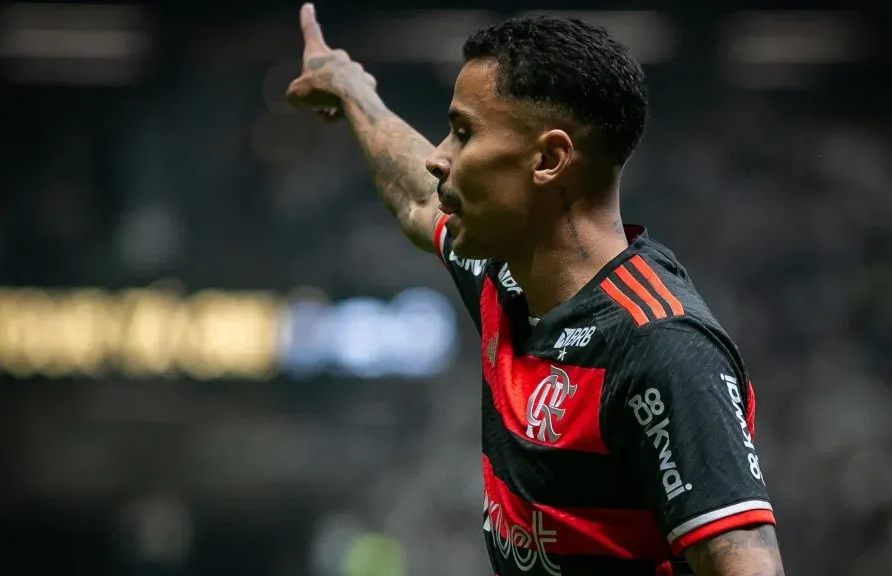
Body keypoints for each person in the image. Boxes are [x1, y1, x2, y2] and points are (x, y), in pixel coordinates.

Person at [286, 4, 785, 575]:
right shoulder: (505, 272)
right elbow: (417, 199)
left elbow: (749, 567)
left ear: (549, 159)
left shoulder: (660, 347)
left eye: (463, 132)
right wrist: (352, 90)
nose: (438, 157)